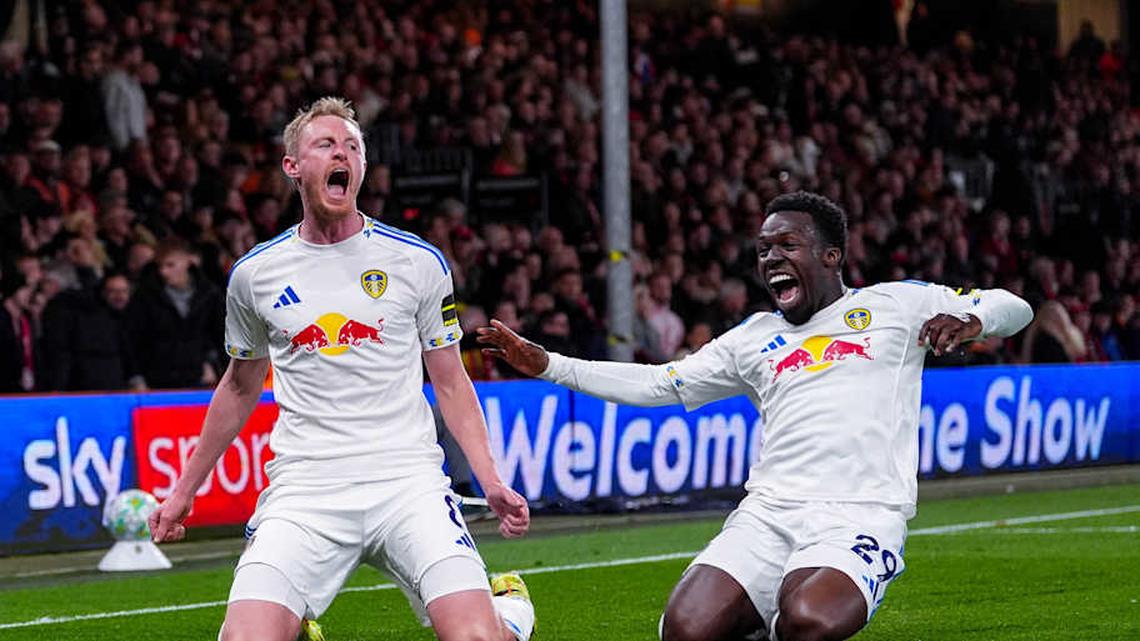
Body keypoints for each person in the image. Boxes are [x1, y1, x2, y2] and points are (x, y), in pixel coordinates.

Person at [478, 191, 1033, 641]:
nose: (770, 258)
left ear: (830, 255)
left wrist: (975, 321)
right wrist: (548, 364)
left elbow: (1013, 304)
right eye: (763, 249)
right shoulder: (753, 338)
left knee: (807, 621)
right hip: (768, 514)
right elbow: (658, 384)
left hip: (861, 515)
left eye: (786, 244)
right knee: (685, 630)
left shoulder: (897, 304)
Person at [148, 97, 536, 641]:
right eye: (326, 144)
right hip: (306, 488)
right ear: (292, 167)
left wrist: (489, 479)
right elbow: (239, 386)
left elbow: (449, 379)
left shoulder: (417, 261)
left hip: (408, 483)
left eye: (353, 146)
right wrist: (184, 490)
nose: (344, 153)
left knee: (474, 637)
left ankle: (511, 617)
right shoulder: (254, 275)